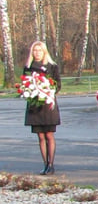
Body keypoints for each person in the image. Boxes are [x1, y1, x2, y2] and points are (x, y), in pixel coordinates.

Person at [24, 41, 62, 175]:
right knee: (40, 136)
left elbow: (57, 85)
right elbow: (25, 83)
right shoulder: (29, 67)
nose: (37, 53)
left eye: (39, 50)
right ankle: (45, 164)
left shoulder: (52, 66)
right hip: (35, 107)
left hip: (48, 105)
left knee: (49, 135)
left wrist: (47, 91)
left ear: (44, 51)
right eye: (35, 50)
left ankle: (51, 164)